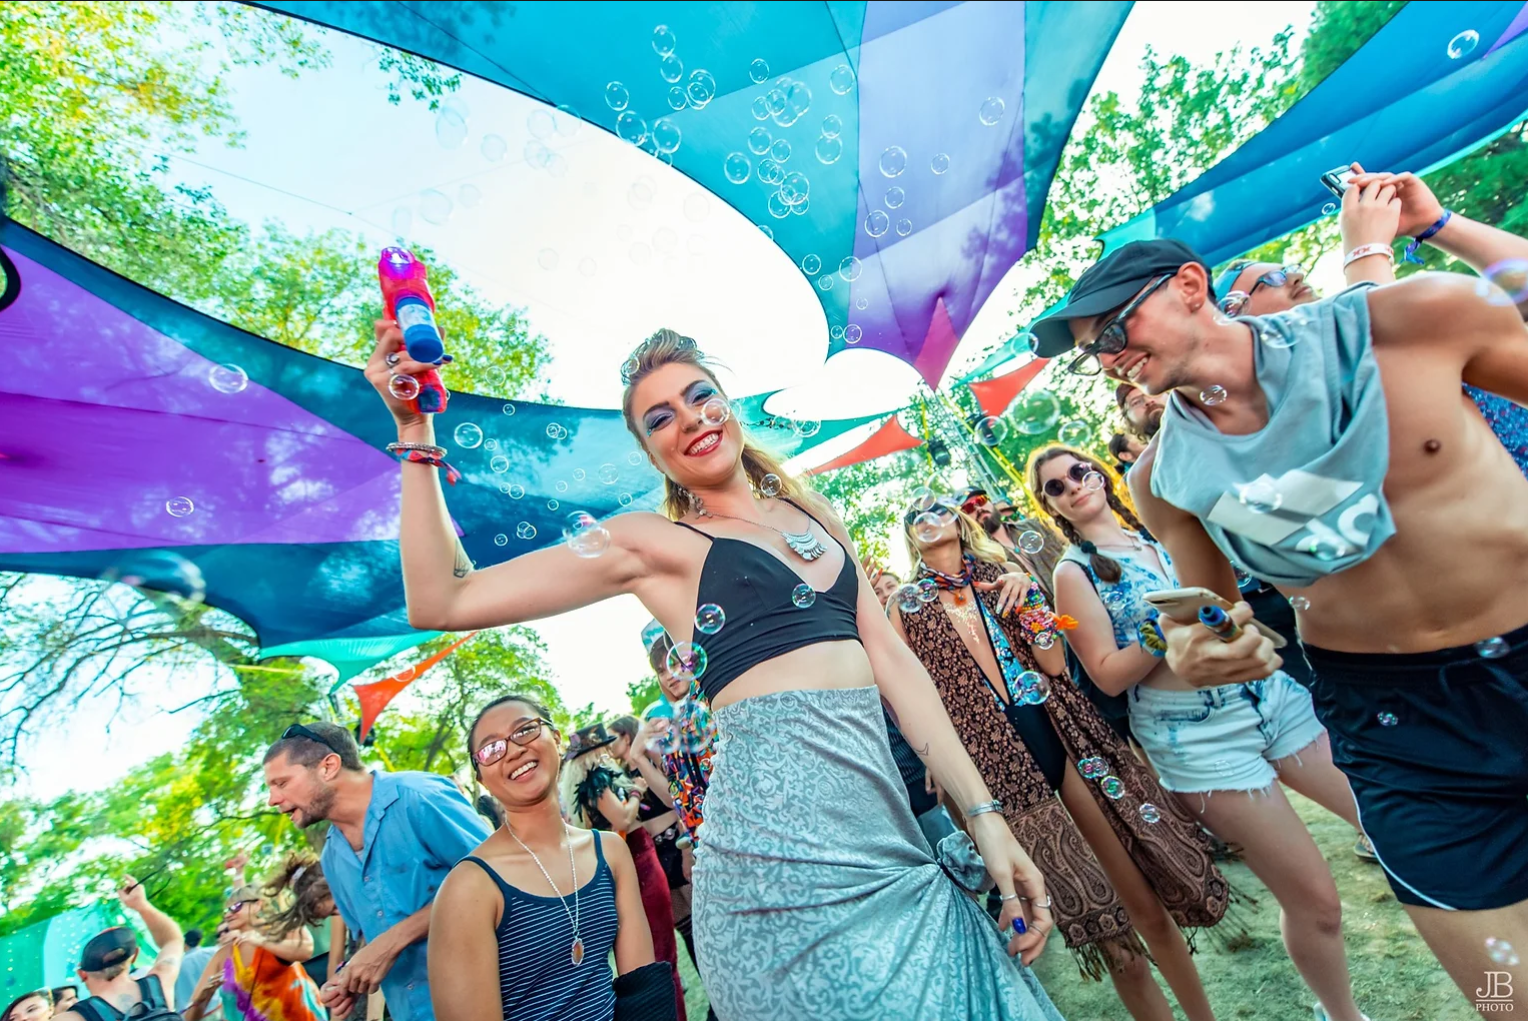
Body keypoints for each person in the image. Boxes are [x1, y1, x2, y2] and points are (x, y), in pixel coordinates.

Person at [367, 321, 1065, 1020]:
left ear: (727, 403)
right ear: (652, 454)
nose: (691, 418)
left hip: (892, 847)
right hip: (774, 885)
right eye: (660, 418)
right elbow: (441, 599)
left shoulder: (813, 513)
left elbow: (895, 664)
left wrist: (985, 815)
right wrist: (415, 429)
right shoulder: (655, 545)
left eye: (700, 395)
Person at [1028, 219, 1528, 1011]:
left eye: (1115, 331)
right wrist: (1203, 649)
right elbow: (1214, 616)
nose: (1109, 359)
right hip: (1395, 729)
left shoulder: (1405, 322)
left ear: (1189, 286)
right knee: (1506, 996)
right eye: (1094, 353)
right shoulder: (1164, 478)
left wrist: (1440, 226)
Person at [1032, 445, 1376, 1021]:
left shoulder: (1159, 535)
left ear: (1101, 475)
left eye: (1079, 471)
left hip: (1267, 696)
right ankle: (1341, 1015)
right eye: (1056, 487)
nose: (1073, 485)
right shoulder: (1073, 572)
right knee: (1318, 902)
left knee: (1385, 819)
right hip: (1193, 735)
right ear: (1051, 507)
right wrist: (1162, 628)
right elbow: (1107, 676)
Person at [895, 499, 1228, 1021]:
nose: (927, 518)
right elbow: (908, 697)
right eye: (915, 516)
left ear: (959, 522)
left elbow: (1052, 665)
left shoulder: (1006, 578)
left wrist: (1030, 599)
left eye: (936, 509)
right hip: (994, 765)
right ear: (910, 537)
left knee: (1145, 907)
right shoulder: (904, 605)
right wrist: (936, 760)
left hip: (1062, 733)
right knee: (1112, 936)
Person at [1214, 168, 1528, 478]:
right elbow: (1395, 380)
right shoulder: (1298, 409)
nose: (1296, 276)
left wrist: (1434, 223)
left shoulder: (1418, 325)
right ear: (1235, 318)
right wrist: (1365, 252)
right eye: (1272, 279)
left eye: (1290, 269)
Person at [428, 694, 662, 1021]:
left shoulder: (609, 851)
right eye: (491, 748)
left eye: (525, 730)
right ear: (481, 777)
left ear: (556, 738)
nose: (513, 750)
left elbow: (645, 992)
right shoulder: (470, 887)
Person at [262, 721, 489, 1021]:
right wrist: (351, 977)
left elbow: (499, 877)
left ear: (328, 766)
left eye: (281, 783)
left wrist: (392, 942)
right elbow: (373, 939)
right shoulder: (332, 858)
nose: (272, 800)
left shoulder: (419, 796)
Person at [562, 722, 686, 1021]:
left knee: (658, 952)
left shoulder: (589, 783)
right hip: (638, 859)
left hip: (631, 860)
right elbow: (621, 819)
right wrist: (636, 794)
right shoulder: (597, 780)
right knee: (662, 954)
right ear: (594, 751)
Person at [180, 858, 329, 1021]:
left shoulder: (279, 930)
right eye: (226, 911)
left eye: (235, 907)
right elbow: (188, 1018)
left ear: (258, 905)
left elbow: (305, 950)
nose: (228, 915)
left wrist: (261, 942)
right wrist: (203, 997)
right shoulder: (222, 956)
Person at [62, 878, 184, 1021]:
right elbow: (173, 939)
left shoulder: (71, 1018)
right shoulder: (160, 984)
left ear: (82, 974)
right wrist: (142, 905)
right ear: (135, 955)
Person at [956, 487, 1064, 603]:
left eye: (981, 500)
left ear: (990, 502)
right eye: (968, 508)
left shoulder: (1036, 525)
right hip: (1041, 612)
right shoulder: (981, 559)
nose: (978, 508)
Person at [174, 929, 214, 1013]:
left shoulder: (179, 963)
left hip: (184, 1011)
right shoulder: (209, 954)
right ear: (200, 941)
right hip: (210, 1009)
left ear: (184, 942)